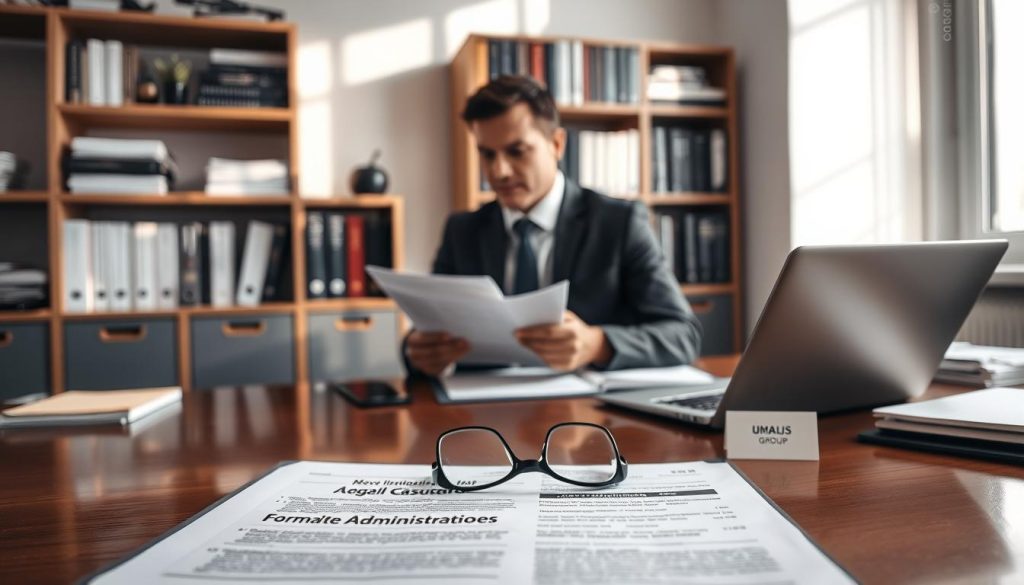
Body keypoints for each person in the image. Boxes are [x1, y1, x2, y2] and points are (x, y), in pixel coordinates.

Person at [406, 75, 702, 377]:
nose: (499, 171)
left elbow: (683, 335)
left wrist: (598, 344)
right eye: (487, 154)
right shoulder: (462, 231)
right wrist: (418, 351)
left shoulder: (619, 223)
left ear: (557, 144)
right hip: (479, 411)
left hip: (588, 413)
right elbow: (422, 337)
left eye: (517, 151)